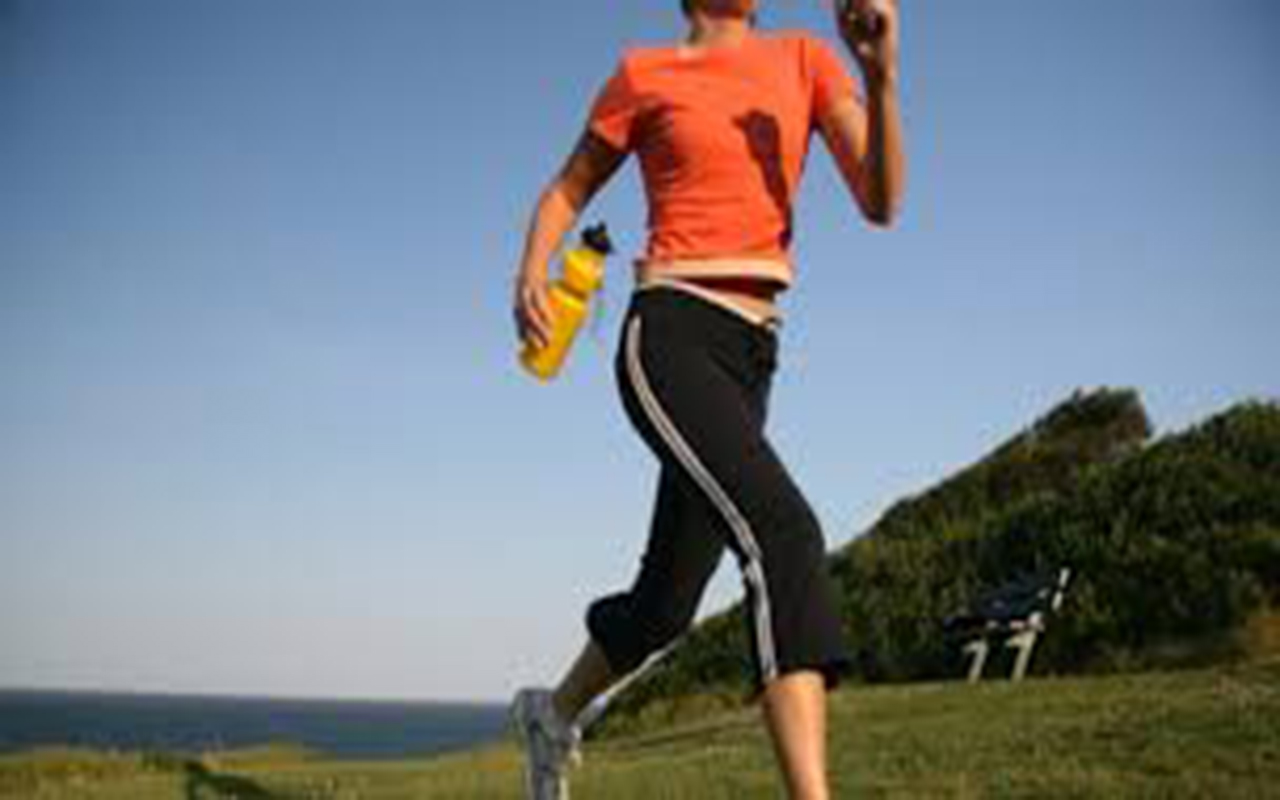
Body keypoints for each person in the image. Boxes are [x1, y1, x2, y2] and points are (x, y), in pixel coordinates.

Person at [510, 0, 904, 797]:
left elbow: (880, 201)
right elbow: (566, 190)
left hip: (751, 355)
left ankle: (552, 713)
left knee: (666, 605)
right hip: (670, 333)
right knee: (784, 533)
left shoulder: (806, 59)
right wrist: (531, 271)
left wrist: (880, 75)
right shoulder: (644, 73)